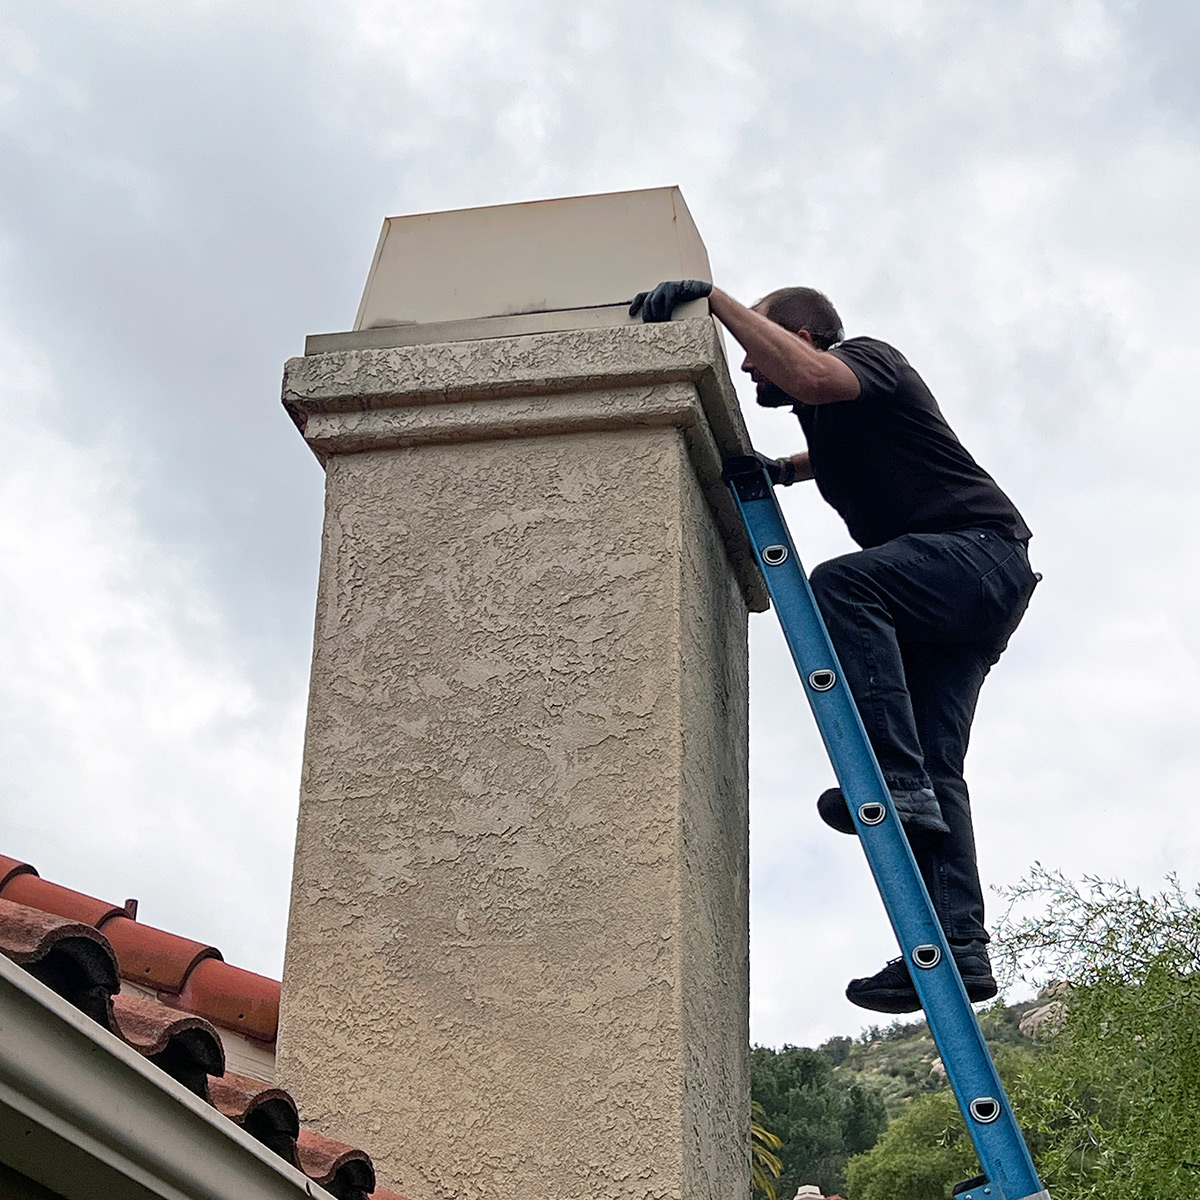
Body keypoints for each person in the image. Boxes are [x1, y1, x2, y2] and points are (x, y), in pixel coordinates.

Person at [630, 279, 1039, 1014]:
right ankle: (958, 952)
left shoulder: (867, 359)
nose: (751, 368)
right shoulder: (835, 419)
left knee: (845, 588)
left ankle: (896, 784)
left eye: (760, 348)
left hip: (977, 555)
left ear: (806, 335)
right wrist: (783, 471)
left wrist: (719, 302)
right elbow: (832, 437)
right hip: (961, 600)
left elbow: (809, 374)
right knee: (938, 765)